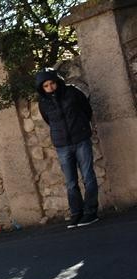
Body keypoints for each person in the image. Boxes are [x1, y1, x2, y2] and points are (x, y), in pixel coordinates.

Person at [36, 68, 99, 229]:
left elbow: (87, 110)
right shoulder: (43, 103)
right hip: (62, 145)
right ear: (42, 88)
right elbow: (49, 120)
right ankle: (76, 213)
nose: (50, 87)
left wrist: (82, 128)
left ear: (57, 82)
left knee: (88, 176)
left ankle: (90, 212)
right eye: (46, 86)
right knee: (71, 182)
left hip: (81, 140)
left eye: (52, 83)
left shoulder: (72, 93)